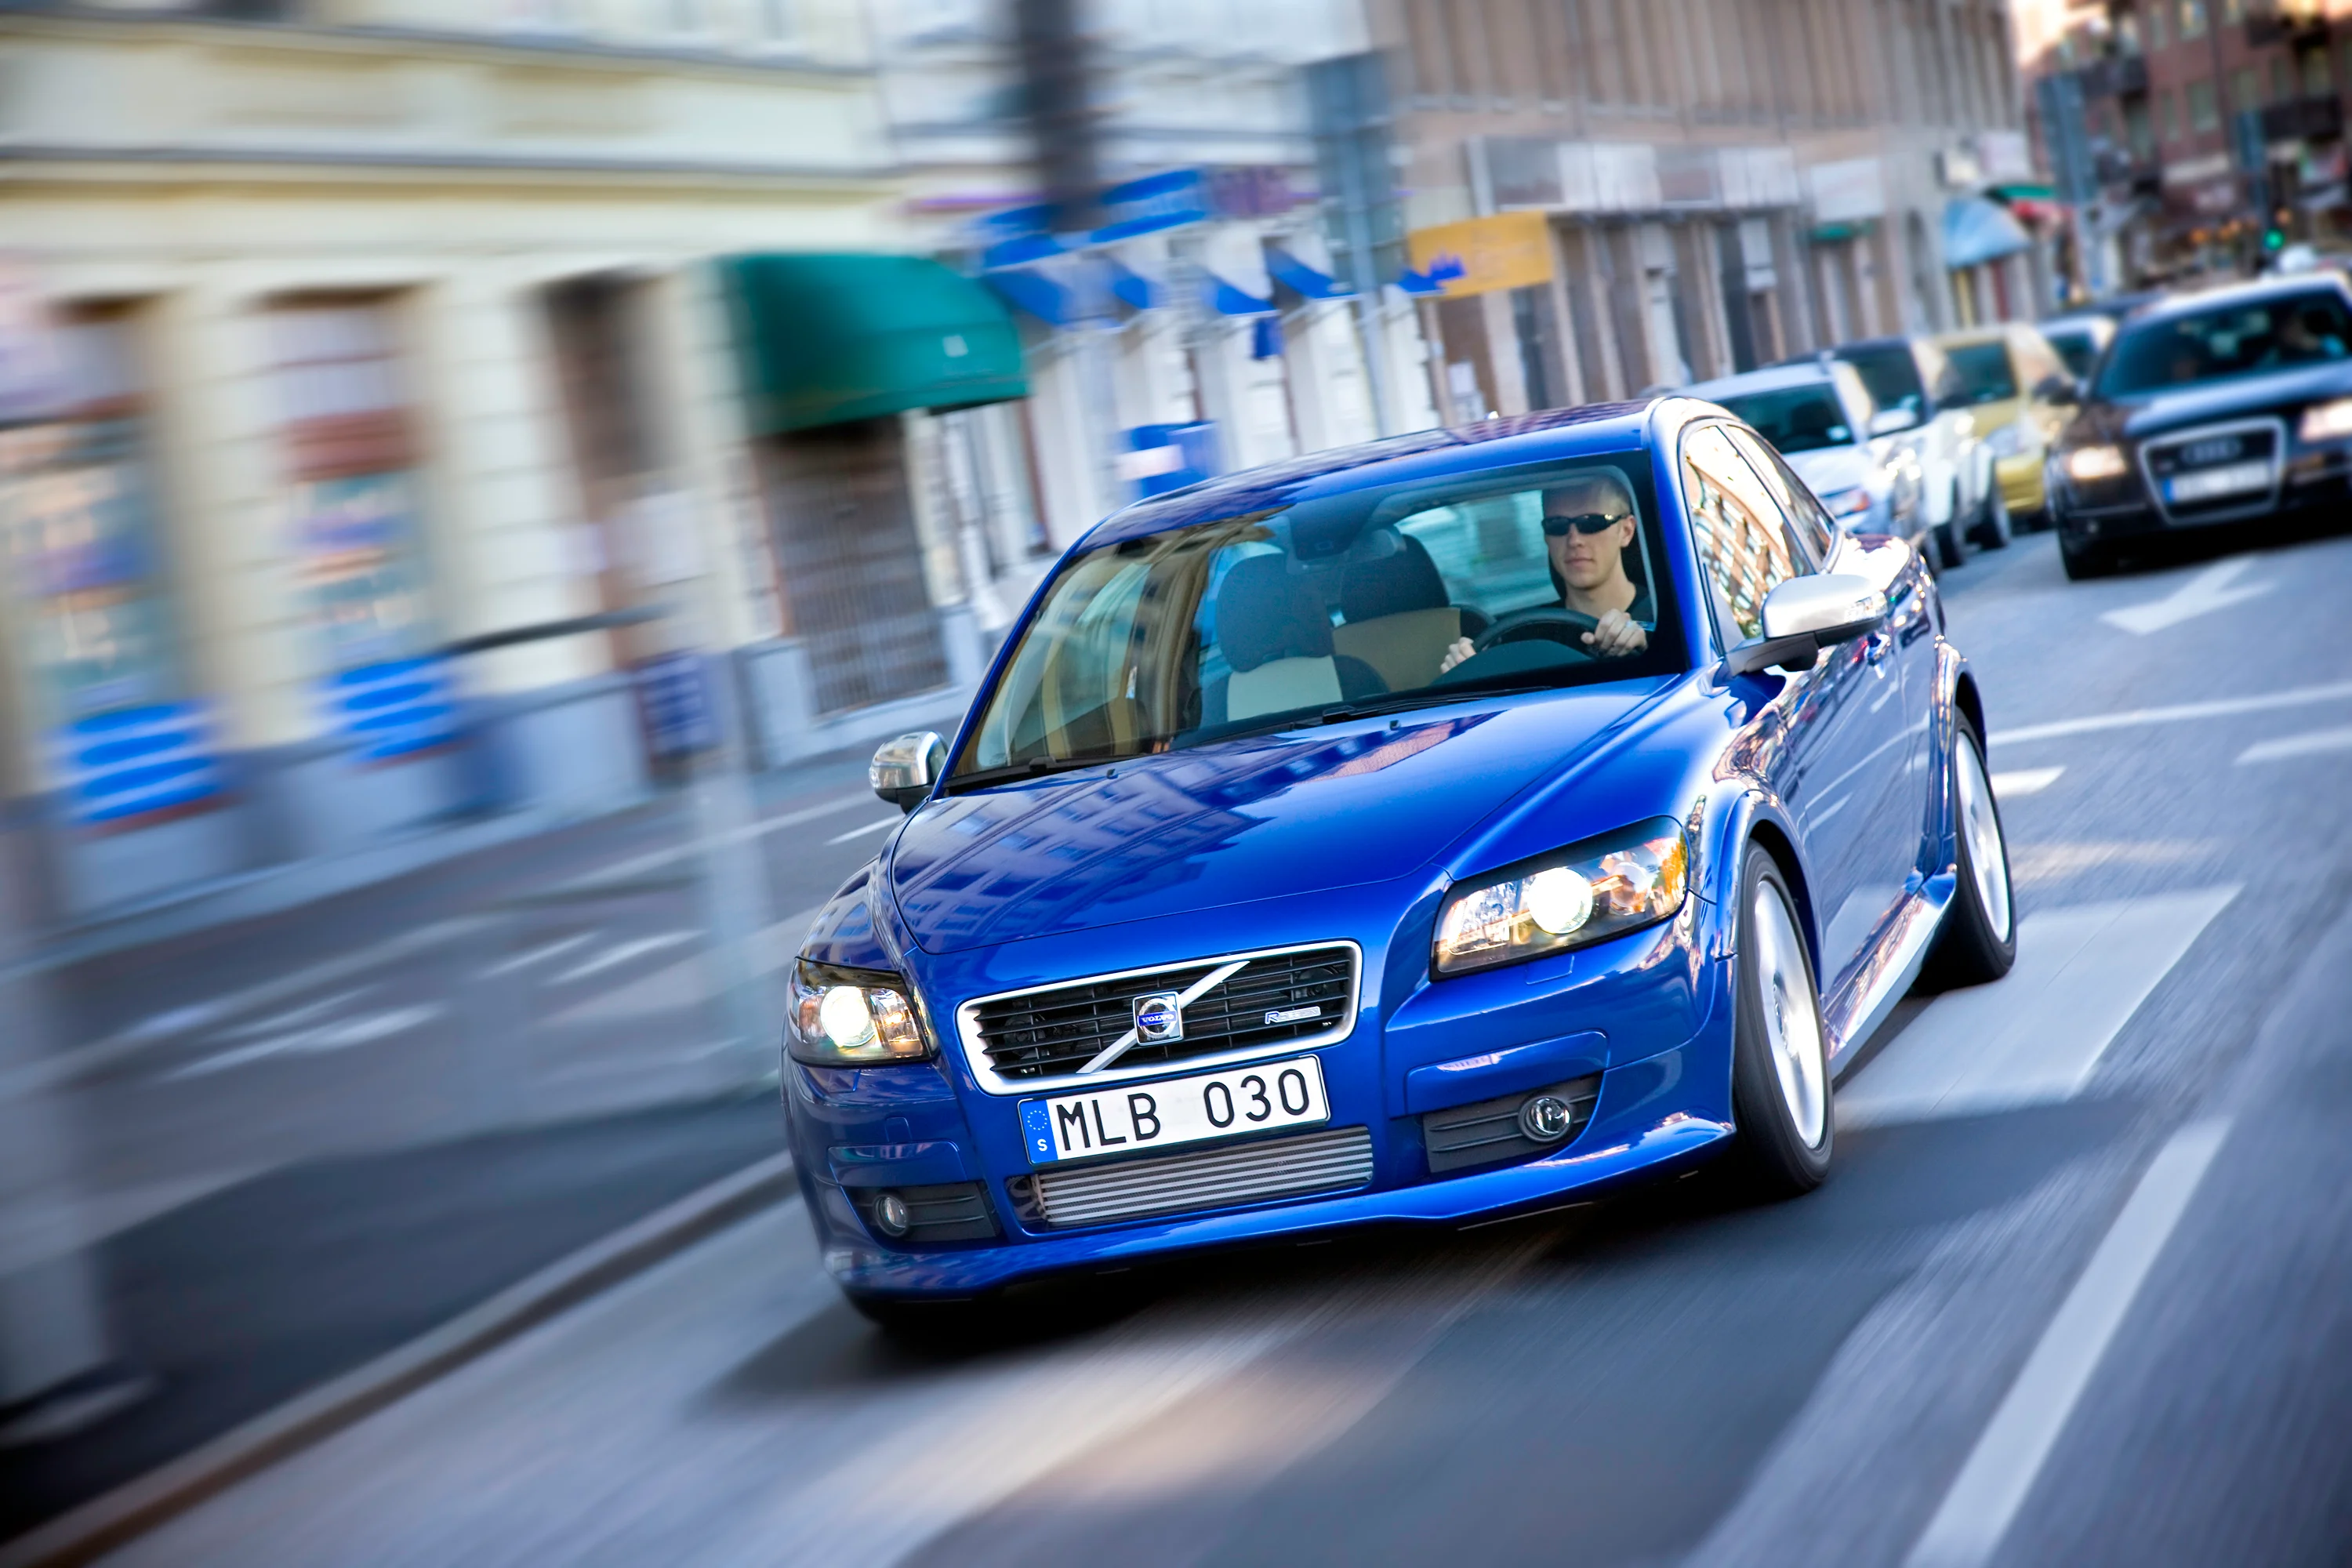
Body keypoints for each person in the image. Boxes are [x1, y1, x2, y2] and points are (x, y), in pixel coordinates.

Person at [1439, 472, 1649, 676]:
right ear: (1546, 537)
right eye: (1557, 525)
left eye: (1591, 523)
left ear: (1626, 531)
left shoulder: (1670, 621)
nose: (1574, 540)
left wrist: (1651, 652)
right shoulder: (1519, 639)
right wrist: (1466, 671)